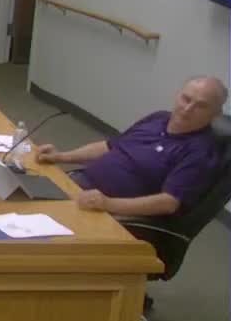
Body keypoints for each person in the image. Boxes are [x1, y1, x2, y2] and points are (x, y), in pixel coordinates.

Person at [35, 75, 227, 216]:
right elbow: (109, 146)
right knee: (23, 193)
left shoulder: (200, 151)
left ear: (215, 114)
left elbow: (168, 203)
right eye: (186, 99)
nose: (188, 109)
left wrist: (108, 204)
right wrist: (61, 156)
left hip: (105, 210)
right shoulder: (158, 118)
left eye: (201, 106)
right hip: (79, 184)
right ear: (177, 96)